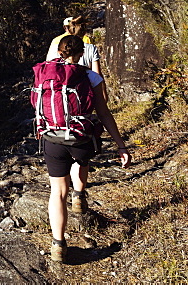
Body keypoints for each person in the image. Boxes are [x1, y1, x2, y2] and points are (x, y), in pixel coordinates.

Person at [41, 34, 130, 263]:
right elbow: (103, 113)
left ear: (60, 52)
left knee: (57, 192)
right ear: (82, 53)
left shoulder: (46, 74)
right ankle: (79, 197)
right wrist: (121, 146)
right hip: (80, 139)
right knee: (82, 161)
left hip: (52, 139)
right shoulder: (91, 76)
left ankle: (58, 245)